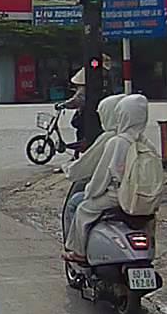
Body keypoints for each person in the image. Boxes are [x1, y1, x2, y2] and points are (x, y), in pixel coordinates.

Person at [64, 94, 150, 262]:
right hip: (143, 198)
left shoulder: (116, 142)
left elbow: (101, 177)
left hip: (118, 196)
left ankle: (78, 252)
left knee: (81, 207)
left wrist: (90, 193)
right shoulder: (145, 142)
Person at [61, 93, 126, 229]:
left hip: (115, 195)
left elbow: (90, 169)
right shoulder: (140, 139)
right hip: (137, 198)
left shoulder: (110, 139)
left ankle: (75, 241)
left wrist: (68, 169)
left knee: (75, 203)